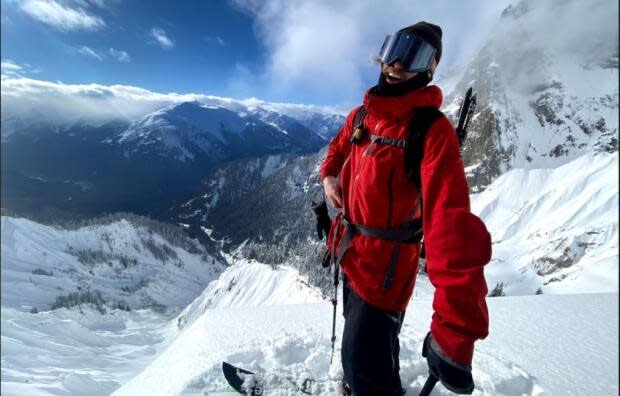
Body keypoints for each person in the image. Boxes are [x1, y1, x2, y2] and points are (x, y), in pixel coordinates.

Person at [319, 21, 492, 395]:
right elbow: (336, 152)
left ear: (428, 70)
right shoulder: (361, 117)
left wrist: (455, 329)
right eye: (394, 49)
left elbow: (452, 229)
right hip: (351, 254)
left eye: (412, 56)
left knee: (361, 359)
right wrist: (329, 176)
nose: (396, 64)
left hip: (386, 269)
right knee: (369, 350)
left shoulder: (431, 131)